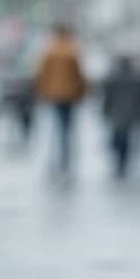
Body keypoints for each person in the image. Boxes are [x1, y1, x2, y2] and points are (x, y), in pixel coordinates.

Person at [34, 24, 87, 177]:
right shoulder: (72, 51)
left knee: (55, 128)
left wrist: (41, 92)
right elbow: (78, 76)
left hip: (53, 95)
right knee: (67, 129)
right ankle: (65, 160)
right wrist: (82, 92)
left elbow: (42, 75)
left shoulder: (49, 51)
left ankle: (54, 160)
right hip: (70, 96)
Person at [102, 56, 140, 178]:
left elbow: (107, 96)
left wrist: (105, 110)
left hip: (117, 111)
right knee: (125, 136)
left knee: (118, 134)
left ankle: (120, 157)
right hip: (130, 112)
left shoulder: (113, 77)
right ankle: (123, 158)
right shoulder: (137, 78)